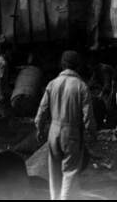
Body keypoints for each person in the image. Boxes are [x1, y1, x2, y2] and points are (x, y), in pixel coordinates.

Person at [34, 51, 97, 200]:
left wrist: (39, 127)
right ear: (78, 67)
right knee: (70, 173)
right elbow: (87, 117)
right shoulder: (81, 86)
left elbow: (42, 110)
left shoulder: (52, 83)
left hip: (53, 131)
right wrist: (92, 133)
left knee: (54, 173)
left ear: (62, 65)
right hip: (72, 133)